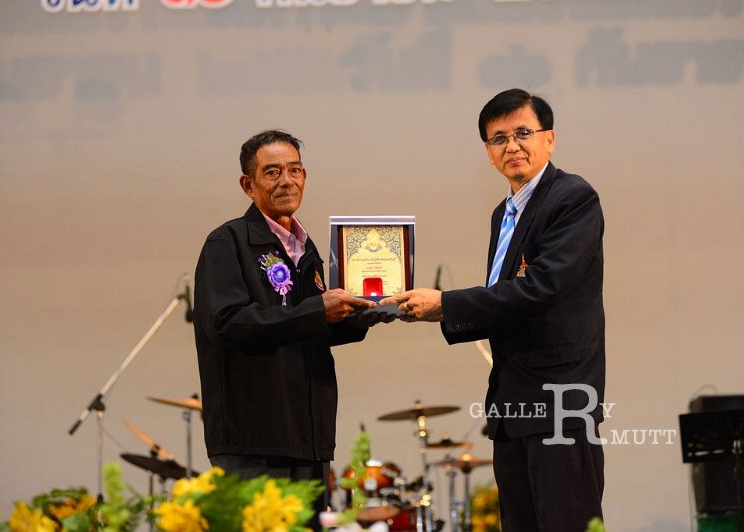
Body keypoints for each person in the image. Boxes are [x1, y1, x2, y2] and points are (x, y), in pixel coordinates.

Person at [381, 89, 605, 532]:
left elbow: (542, 288)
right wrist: (437, 311)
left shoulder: (573, 198)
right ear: (487, 151)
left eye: (523, 133)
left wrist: (446, 304)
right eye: (499, 138)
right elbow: (504, 301)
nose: (512, 146)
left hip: (559, 404)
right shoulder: (504, 213)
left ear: (549, 139)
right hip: (512, 405)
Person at [193, 129, 384, 529]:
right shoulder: (227, 243)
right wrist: (318, 311)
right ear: (248, 185)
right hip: (254, 441)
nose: (287, 180)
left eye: (295, 170)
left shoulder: (306, 248)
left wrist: (367, 312)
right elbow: (227, 323)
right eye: (272, 172)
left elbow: (311, 327)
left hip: (309, 438)